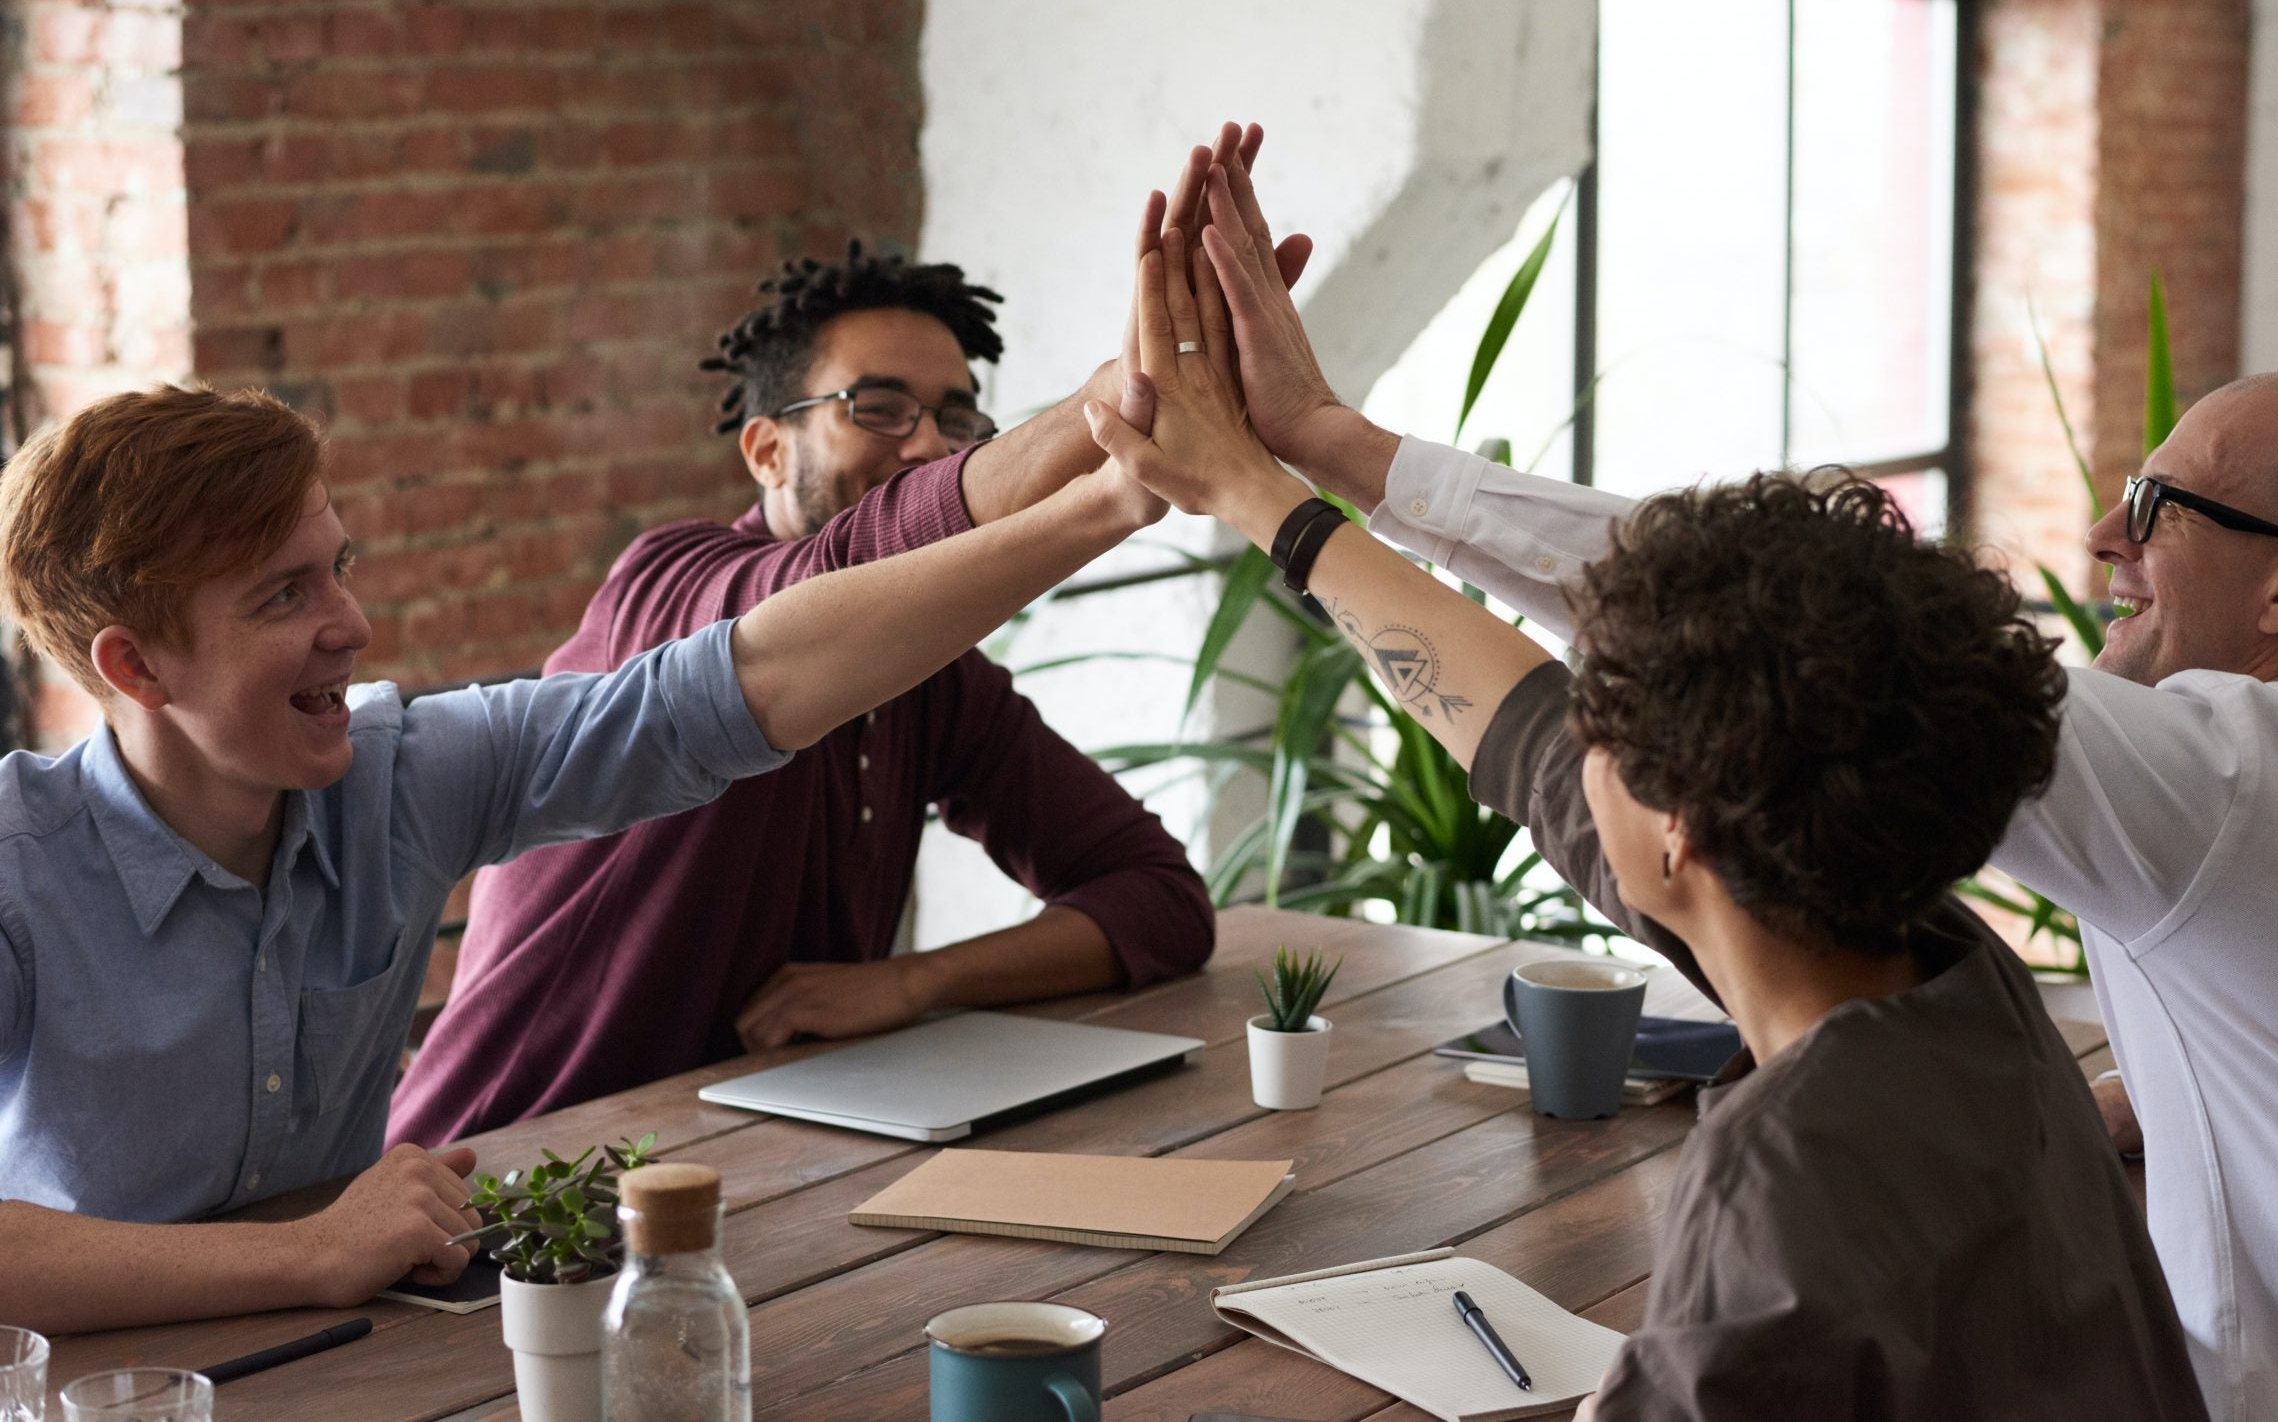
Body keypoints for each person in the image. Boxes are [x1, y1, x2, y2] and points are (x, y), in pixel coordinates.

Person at [1183, 141, 2278, 1420]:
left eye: (2157, 501)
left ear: (1682, 831)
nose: (2106, 530)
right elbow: (1554, 736)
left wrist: (1302, 471)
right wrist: (1287, 482)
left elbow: (1728, 645)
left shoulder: (2219, 794)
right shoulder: (1976, 1001)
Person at [0, 376, 1164, 1334]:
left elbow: (735, 685)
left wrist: (1105, 502)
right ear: (138, 668)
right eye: (283, 594)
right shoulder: (19, 864)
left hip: (364, 1364)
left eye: (340, 565)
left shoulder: (398, 774)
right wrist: (309, 1252)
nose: (351, 624)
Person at [390, 128, 1307, 1144]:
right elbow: (846, 570)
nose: (924, 442)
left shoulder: (933, 680)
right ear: (766, 449)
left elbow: (1160, 900)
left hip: (760, 1174)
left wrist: (915, 981)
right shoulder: (669, 588)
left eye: (957, 419)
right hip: (503, 1189)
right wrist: (1111, 410)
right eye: (877, 407)